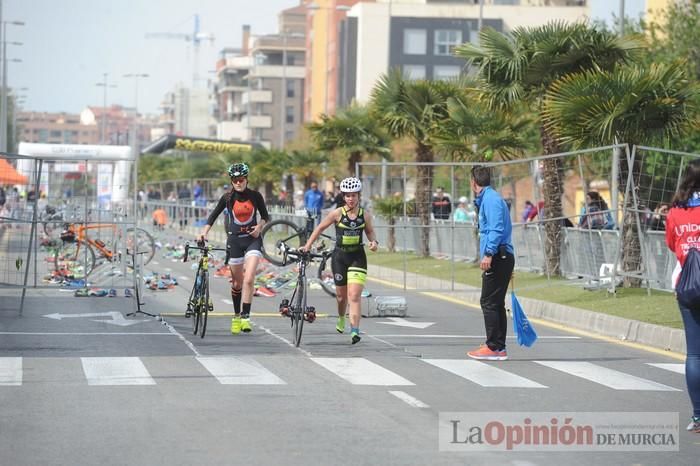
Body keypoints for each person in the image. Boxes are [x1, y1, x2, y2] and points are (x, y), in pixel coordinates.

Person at [300, 177, 379, 344]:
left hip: (357, 257)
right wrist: (307, 246)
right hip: (339, 257)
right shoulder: (336, 214)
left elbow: (370, 232)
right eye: (348, 195)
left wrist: (374, 242)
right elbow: (320, 228)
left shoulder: (365, 215)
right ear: (343, 197)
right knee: (341, 297)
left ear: (359, 196)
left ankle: (355, 331)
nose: (351, 199)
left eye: (354, 195)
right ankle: (342, 317)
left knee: (354, 295)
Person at [198, 163, 269, 335]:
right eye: (235, 180)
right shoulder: (227, 198)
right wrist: (203, 233)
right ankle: (236, 316)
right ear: (232, 181)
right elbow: (213, 215)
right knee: (237, 283)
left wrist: (259, 227)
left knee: (249, 279)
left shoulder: (255, 196)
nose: (238, 183)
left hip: (252, 240)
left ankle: (245, 317)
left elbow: (265, 216)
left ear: (246, 179)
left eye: (241, 180)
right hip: (234, 241)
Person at [665, 159, 700, 434]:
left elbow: (671, 244)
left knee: (695, 354)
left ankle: (698, 416)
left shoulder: (675, 212)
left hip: (687, 286)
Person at [467, 166, 514, 361]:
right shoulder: (488, 198)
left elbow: (495, 229)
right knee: (495, 302)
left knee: (488, 301)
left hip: (497, 256)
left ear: (473, 183)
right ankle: (497, 344)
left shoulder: (491, 200)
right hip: (500, 256)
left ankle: (494, 346)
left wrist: (488, 254)